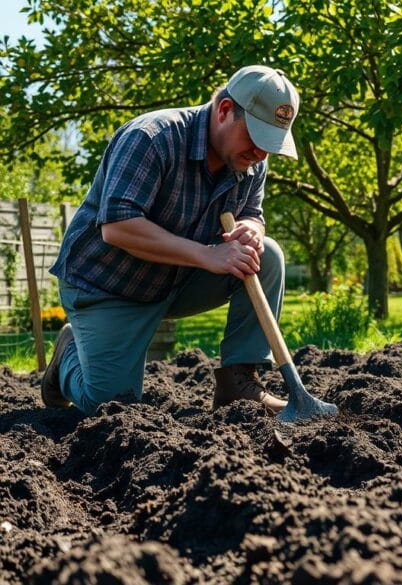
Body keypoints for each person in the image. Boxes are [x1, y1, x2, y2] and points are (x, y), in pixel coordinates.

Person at [40, 65, 300, 416]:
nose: (261, 153)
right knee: (110, 406)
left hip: (177, 280)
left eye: (271, 143)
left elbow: (253, 212)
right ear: (224, 111)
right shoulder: (151, 138)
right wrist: (206, 255)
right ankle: (68, 356)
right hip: (107, 287)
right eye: (256, 136)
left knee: (265, 255)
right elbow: (117, 226)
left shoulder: (250, 161)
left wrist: (252, 229)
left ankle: (240, 383)